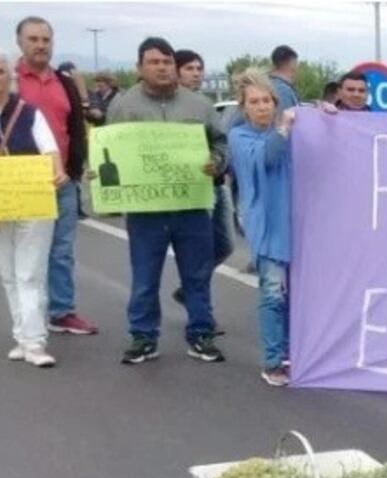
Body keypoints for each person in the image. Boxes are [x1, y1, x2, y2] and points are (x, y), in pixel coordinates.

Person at [106, 37, 227, 365]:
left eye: (167, 62)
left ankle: (201, 334)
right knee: (145, 277)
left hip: (192, 207)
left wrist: (217, 162)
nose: (162, 67)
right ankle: (143, 337)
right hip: (146, 211)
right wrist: (102, 182)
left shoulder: (198, 105)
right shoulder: (123, 106)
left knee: (197, 275)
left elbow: (220, 142)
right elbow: (108, 152)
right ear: (139, 67)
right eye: (154, 62)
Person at [0, 48, 67, 367]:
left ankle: (34, 342)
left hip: (32, 201)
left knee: (29, 273)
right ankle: (22, 334)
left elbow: (49, 149)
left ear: (10, 76)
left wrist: (57, 170)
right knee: (8, 275)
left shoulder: (28, 112)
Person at [15, 16, 98, 335]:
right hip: (21, 182)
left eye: (45, 40)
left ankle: (61, 312)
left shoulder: (63, 83)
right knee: (25, 253)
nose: (40, 45)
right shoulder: (7, 80)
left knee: (61, 251)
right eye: (33, 39)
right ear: (20, 42)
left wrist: (77, 167)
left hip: (62, 180)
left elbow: (75, 127)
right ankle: (26, 317)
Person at [228, 70, 294, 386]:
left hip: (297, 225)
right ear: (244, 107)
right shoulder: (240, 137)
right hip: (268, 227)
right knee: (273, 294)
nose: (262, 107)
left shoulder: (292, 130)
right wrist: (283, 130)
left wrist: (328, 113)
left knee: (298, 295)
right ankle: (273, 361)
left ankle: (294, 351)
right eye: (254, 102)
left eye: (267, 100)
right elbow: (268, 158)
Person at [174, 48, 233, 326]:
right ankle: (202, 317)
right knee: (199, 252)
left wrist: (219, 160)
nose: (196, 73)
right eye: (189, 68)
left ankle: (189, 290)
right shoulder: (173, 106)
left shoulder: (205, 105)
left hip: (217, 183)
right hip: (193, 190)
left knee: (225, 246)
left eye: (199, 68)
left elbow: (220, 140)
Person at [269, 45, 300, 111]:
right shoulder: (284, 91)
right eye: (296, 64)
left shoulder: (262, 84)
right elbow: (285, 119)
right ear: (292, 65)